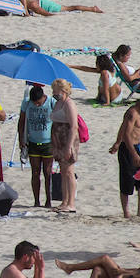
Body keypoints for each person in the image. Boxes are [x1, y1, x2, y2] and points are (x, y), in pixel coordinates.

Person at [110, 93, 140, 220]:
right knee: (127, 180)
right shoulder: (132, 113)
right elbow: (126, 133)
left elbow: (122, 128)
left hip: (138, 147)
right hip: (128, 149)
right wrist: (131, 152)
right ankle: (126, 212)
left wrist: (116, 142)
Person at [19, 85, 56, 207]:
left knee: (47, 172)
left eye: (39, 103)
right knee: (35, 172)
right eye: (34, 103)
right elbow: (22, 121)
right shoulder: (27, 103)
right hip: (33, 142)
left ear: (43, 97)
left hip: (48, 143)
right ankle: (36, 201)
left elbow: (59, 121)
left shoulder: (51, 102)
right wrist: (21, 139)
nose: (37, 105)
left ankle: (48, 200)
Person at [49, 78, 79, 214]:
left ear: (62, 90)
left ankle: (71, 203)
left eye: (55, 90)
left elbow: (74, 127)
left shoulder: (69, 104)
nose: (54, 93)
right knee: (63, 172)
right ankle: (64, 201)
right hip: (58, 139)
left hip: (67, 138)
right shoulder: (58, 103)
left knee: (69, 171)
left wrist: (69, 146)